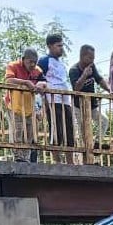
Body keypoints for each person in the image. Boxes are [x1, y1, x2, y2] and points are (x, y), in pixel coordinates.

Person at [4, 48, 47, 162]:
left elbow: (44, 82)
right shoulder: (13, 66)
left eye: (35, 62)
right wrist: (25, 82)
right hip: (14, 105)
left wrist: (41, 85)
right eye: (30, 62)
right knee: (17, 131)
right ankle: (18, 157)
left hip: (30, 107)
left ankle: (26, 158)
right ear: (23, 59)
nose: (32, 64)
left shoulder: (37, 70)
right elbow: (8, 81)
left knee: (29, 133)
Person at [38, 34, 74, 163]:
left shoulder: (62, 64)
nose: (61, 48)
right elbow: (39, 80)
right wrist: (43, 103)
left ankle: (70, 160)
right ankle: (57, 160)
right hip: (53, 100)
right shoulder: (44, 61)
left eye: (62, 45)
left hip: (66, 100)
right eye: (58, 46)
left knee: (69, 128)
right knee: (56, 128)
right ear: (50, 46)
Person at [69, 44, 110, 152]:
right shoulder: (73, 70)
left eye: (93, 58)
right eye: (90, 58)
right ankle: (86, 156)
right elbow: (76, 88)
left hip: (92, 105)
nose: (92, 60)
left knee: (104, 121)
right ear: (82, 56)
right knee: (84, 132)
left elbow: (100, 80)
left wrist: (110, 90)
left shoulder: (92, 66)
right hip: (79, 106)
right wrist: (84, 75)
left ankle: (97, 143)